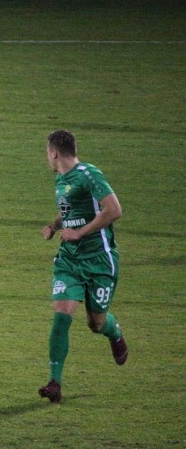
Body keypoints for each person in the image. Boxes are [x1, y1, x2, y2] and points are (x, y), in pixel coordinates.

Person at [39, 130, 128, 403]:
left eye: (47, 152)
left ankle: (115, 333)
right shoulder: (61, 179)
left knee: (96, 322)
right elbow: (70, 211)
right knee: (61, 316)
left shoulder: (89, 174)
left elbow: (114, 210)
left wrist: (81, 232)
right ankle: (55, 382)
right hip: (69, 260)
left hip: (100, 260)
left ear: (54, 152)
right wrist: (55, 225)